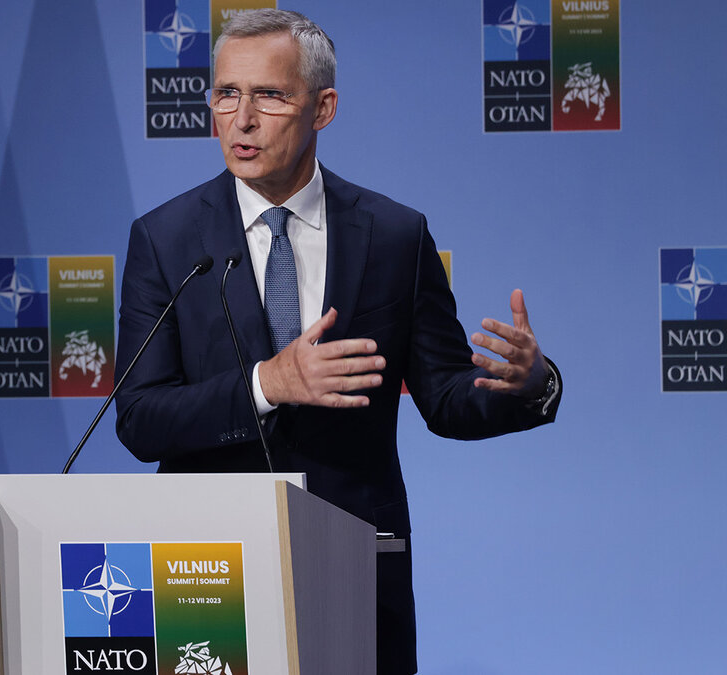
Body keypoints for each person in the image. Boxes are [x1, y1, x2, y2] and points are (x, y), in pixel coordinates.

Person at [114, 9, 561, 675]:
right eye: (226, 93)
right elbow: (141, 419)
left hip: (357, 565)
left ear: (322, 108)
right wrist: (269, 384)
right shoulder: (165, 239)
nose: (241, 119)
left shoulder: (395, 237)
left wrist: (527, 385)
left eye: (269, 95)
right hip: (208, 570)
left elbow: (445, 399)